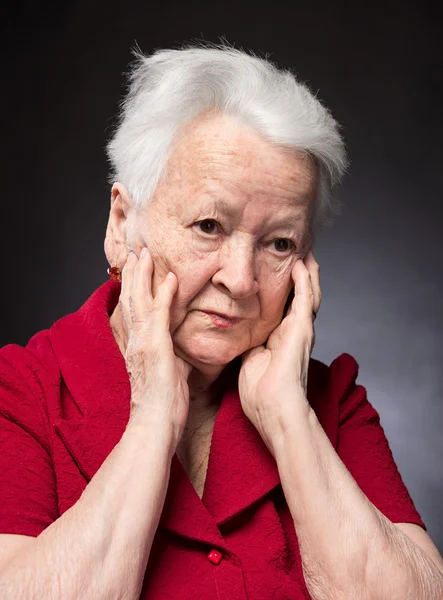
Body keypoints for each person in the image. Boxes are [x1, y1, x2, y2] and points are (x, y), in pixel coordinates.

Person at [0, 43, 442, 600]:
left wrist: (288, 418)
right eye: (208, 225)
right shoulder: (20, 391)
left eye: (279, 243)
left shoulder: (330, 402)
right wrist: (153, 418)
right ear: (121, 224)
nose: (241, 279)